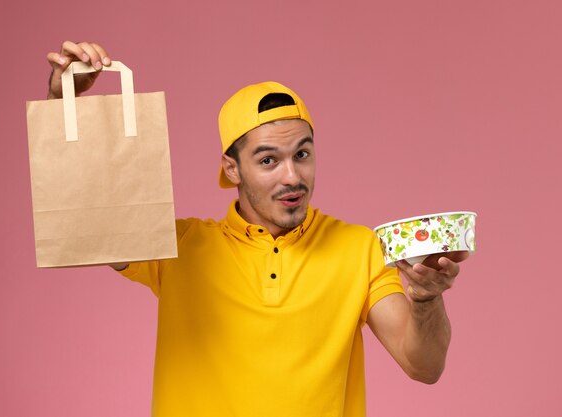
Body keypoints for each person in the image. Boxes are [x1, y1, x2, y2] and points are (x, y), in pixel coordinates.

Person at [46, 41, 470, 417]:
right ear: (232, 169)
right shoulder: (178, 246)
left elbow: (424, 366)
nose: (292, 176)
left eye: (302, 154)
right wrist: (64, 104)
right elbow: (86, 218)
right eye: (268, 160)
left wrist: (426, 297)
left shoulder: (359, 249)